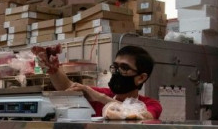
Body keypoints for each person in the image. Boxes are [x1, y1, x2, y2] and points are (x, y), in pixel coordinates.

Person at [32, 44, 162, 120]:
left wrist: (100, 98)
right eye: (115, 67)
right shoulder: (102, 94)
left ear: (141, 78)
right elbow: (67, 87)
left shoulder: (151, 104)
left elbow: (141, 116)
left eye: (124, 68)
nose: (117, 72)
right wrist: (53, 70)